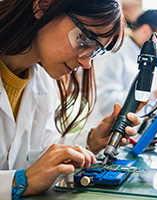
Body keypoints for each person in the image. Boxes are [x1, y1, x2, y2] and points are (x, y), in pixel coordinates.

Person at [0, 0, 142, 199]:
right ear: (43, 6)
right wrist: (21, 181)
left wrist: (92, 141)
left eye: (95, 51)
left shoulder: (42, 82)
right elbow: (27, 173)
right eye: (85, 40)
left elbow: (40, 151)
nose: (86, 63)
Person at [85, 6, 157, 128]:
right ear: (145, 30)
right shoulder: (116, 53)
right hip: (101, 129)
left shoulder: (136, 53)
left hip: (122, 127)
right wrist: (152, 95)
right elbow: (106, 102)